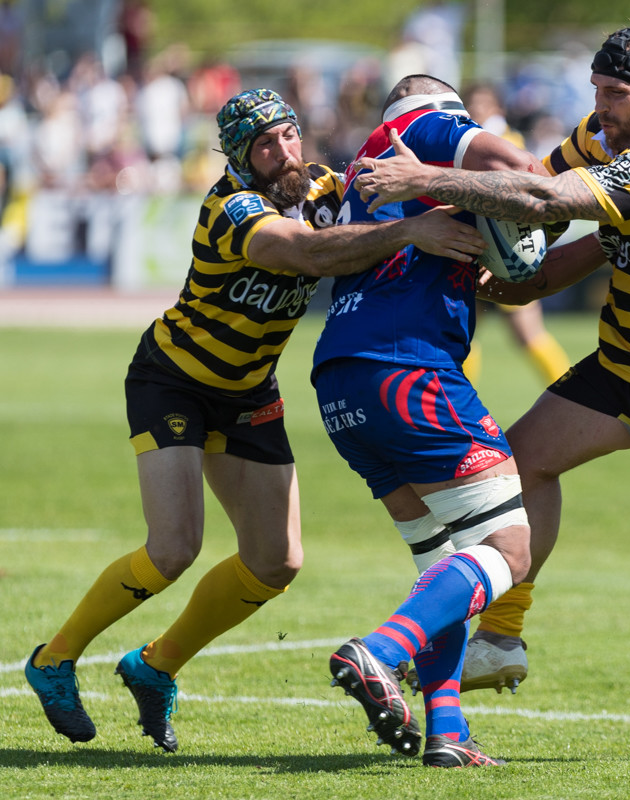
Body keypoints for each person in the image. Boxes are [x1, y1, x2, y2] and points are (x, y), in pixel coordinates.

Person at [352, 28, 630, 763]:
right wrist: (525, 275)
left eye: (615, 95)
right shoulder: (610, 133)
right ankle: (501, 636)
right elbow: (567, 211)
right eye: (595, 91)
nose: (599, 109)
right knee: (522, 459)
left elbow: (540, 197)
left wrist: (421, 183)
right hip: (629, 359)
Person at [23, 88, 485, 753]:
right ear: (240, 158)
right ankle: (54, 658)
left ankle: (154, 666)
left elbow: (395, 201)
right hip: (175, 381)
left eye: (288, 135)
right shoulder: (233, 208)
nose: (282, 151)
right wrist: (410, 229)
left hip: (248, 391)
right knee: (174, 547)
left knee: (276, 560)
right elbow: (309, 255)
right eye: (264, 145)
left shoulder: (326, 188)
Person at [316, 74, 544, 768]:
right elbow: (523, 173)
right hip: (408, 371)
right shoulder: (428, 130)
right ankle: (381, 653)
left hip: (340, 380)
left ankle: (448, 729)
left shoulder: (363, 167)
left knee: (442, 564)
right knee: (510, 551)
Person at [460, 82, 571, 389]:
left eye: (483, 103)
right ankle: (462, 403)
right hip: (477, 248)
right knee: (464, 334)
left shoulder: (502, 142)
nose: (477, 110)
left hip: (507, 247)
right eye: (472, 104)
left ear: (498, 109)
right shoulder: (473, 140)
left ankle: (568, 392)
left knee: (529, 334)